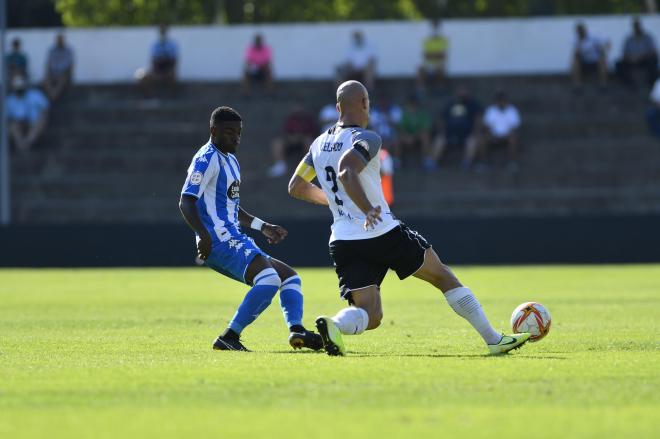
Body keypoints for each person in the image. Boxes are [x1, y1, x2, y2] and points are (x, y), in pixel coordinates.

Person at [287, 80, 530, 356]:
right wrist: (367, 209)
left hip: (342, 239)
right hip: (380, 232)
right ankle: (494, 340)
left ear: (337, 108)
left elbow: (296, 186)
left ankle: (333, 324)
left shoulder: (318, 143)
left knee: (371, 315)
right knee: (443, 276)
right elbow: (346, 171)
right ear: (365, 104)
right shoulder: (367, 138)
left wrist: (335, 201)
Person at [179, 106, 322, 352]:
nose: (235, 138)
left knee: (289, 277)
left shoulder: (231, 160)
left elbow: (231, 207)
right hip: (218, 240)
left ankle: (297, 330)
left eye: (238, 132)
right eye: (229, 132)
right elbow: (186, 200)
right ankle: (229, 336)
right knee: (268, 278)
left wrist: (262, 226)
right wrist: (203, 235)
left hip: (234, 236)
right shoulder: (206, 158)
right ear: (213, 131)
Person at [430, 86, 482, 170]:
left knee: (472, 141)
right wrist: (442, 130)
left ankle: (467, 163)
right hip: (449, 132)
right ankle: (432, 162)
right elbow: (441, 118)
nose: (462, 93)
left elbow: (478, 118)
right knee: (439, 140)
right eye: (460, 91)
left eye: (464, 91)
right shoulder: (451, 104)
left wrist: (476, 131)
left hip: (466, 133)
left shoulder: (473, 104)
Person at [267, 103, 317, 177]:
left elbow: (312, 133)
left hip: (304, 142)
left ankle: (311, 165)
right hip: (291, 142)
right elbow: (285, 132)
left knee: (309, 141)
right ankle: (280, 166)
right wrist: (292, 138)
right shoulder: (291, 119)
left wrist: (301, 137)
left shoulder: (308, 119)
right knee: (277, 143)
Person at [6, 75, 49, 152]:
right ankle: (21, 145)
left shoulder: (36, 95)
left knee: (41, 120)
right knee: (13, 125)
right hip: (19, 124)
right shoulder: (9, 100)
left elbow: (45, 109)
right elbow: (8, 117)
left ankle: (27, 143)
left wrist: (40, 118)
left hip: (34, 123)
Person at [480, 91, 522, 171]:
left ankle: (512, 162)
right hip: (493, 135)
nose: (501, 103)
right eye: (499, 101)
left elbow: (514, 127)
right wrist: (492, 135)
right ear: (496, 101)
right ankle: (483, 162)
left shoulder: (512, 110)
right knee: (482, 139)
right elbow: (487, 126)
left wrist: (505, 135)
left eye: (503, 101)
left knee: (513, 139)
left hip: (507, 136)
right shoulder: (491, 110)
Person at [615, 17, 658, 89]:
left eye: (638, 26)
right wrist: (631, 58)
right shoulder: (629, 39)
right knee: (618, 63)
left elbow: (653, 51)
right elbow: (624, 52)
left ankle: (651, 83)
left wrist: (641, 57)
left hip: (645, 59)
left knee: (653, 60)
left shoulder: (647, 37)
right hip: (632, 59)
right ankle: (628, 83)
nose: (637, 28)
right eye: (635, 26)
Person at [138, 24, 178, 95]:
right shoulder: (155, 44)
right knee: (144, 78)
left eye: (164, 31)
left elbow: (174, 59)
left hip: (168, 68)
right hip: (157, 69)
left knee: (172, 77)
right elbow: (153, 58)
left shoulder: (172, 44)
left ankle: (171, 96)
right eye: (161, 31)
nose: (162, 33)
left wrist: (171, 70)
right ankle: (151, 95)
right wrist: (155, 71)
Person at [571, 22, 610, 90]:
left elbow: (608, 43)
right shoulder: (576, 40)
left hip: (596, 60)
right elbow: (575, 53)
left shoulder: (594, 37)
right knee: (575, 61)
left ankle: (603, 83)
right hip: (584, 61)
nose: (580, 32)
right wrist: (579, 46)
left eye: (581, 30)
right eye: (579, 31)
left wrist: (602, 50)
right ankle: (577, 85)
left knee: (603, 60)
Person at [397, 95, 432, 169]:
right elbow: (401, 128)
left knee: (425, 136)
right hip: (407, 137)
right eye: (411, 104)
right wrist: (407, 136)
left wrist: (414, 136)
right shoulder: (405, 114)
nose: (413, 106)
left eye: (415, 104)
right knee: (398, 138)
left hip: (418, 137)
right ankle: (397, 161)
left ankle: (426, 160)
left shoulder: (423, 114)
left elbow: (425, 129)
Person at [417, 19, 449, 92]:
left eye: (436, 27)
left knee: (440, 68)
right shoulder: (427, 41)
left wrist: (432, 54)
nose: (435, 29)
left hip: (439, 64)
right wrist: (436, 54)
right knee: (420, 69)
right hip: (428, 64)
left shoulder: (443, 40)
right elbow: (425, 55)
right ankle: (421, 89)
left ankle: (440, 86)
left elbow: (443, 55)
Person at [43, 33, 74, 101]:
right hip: (53, 73)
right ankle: (53, 95)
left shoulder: (68, 51)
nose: (59, 41)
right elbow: (49, 63)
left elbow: (69, 64)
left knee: (61, 79)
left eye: (61, 40)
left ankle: (53, 96)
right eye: (58, 40)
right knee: (46, 79)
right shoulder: (52, 51)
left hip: (63, 73)